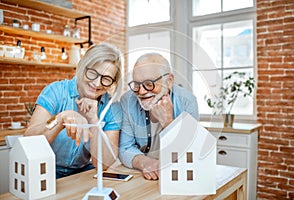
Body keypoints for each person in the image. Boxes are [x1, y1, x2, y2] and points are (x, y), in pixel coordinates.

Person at [25, 43, 123, 178]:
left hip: (81, 174)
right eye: (92, 73)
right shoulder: (56, 91)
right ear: (82, 66)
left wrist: (94, 121)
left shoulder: (112, 108)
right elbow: (29, 141)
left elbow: (103, 164)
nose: (97, 83)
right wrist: (61, 119)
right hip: (44, 170)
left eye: (106, 79)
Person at [119, 53, 199, 180]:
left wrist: (167, 121)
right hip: (143, 174)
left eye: (149, 84)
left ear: (169, 81)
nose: (141, 91)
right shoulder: (127, 101)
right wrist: (146, 163)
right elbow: (125, 148)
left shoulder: (188, 101)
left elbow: (191, 152)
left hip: (177, 175)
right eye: (136, 85)